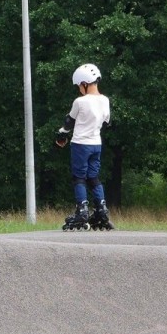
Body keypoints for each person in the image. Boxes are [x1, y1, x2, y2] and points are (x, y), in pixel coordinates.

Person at [56, 63, 114, 230]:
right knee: (93, 177)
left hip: (80, 144)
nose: (78, 89)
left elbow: (69, 122)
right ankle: (101, 210)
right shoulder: (105, 100)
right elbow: (107, 122)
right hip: (96, 144)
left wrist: (61, 135)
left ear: (84, 83)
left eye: (78, 86)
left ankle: (82, 211)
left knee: (79, 178)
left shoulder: (80, 102)